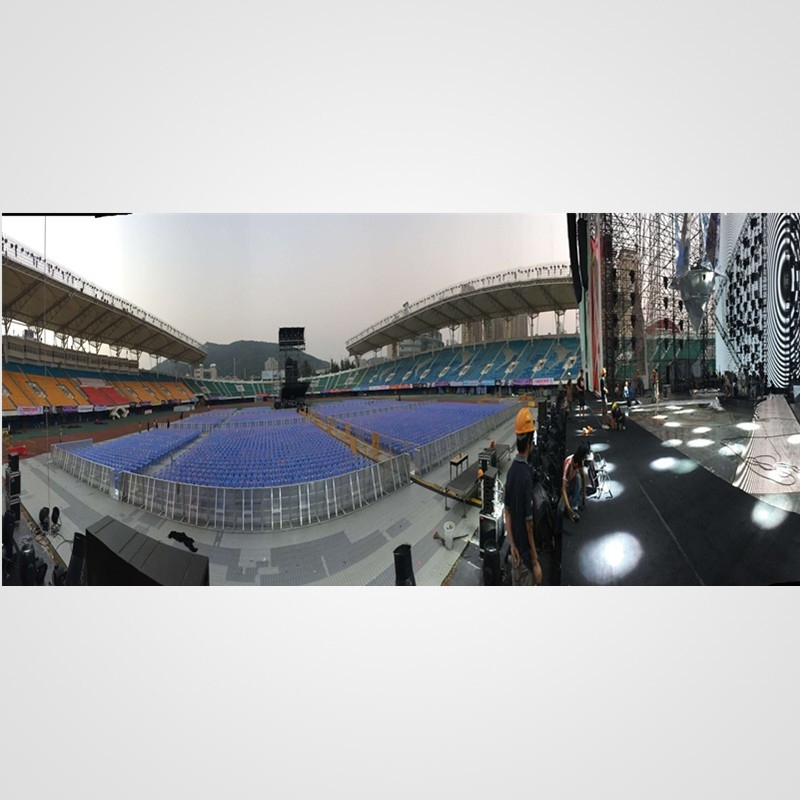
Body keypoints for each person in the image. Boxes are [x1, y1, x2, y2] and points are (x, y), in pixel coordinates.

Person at [503, 407, 542, 586]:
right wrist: (535, 562)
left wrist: (512, 545)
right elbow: (528, 525)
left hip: (515, 554)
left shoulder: (511, 472)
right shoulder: (526, 475)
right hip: (525, 558)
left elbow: (507, 512)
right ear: (529, 440)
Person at [559, 442, 589, 523]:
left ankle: (574, 506)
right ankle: (569, 510)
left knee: (578, 477)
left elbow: (583, 478)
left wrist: (583, 496)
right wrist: (569, 509)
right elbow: (563, 489)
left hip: (572, 482)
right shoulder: (568, 464)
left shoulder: (580, 462)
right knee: (560, 509)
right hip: (566, 487)